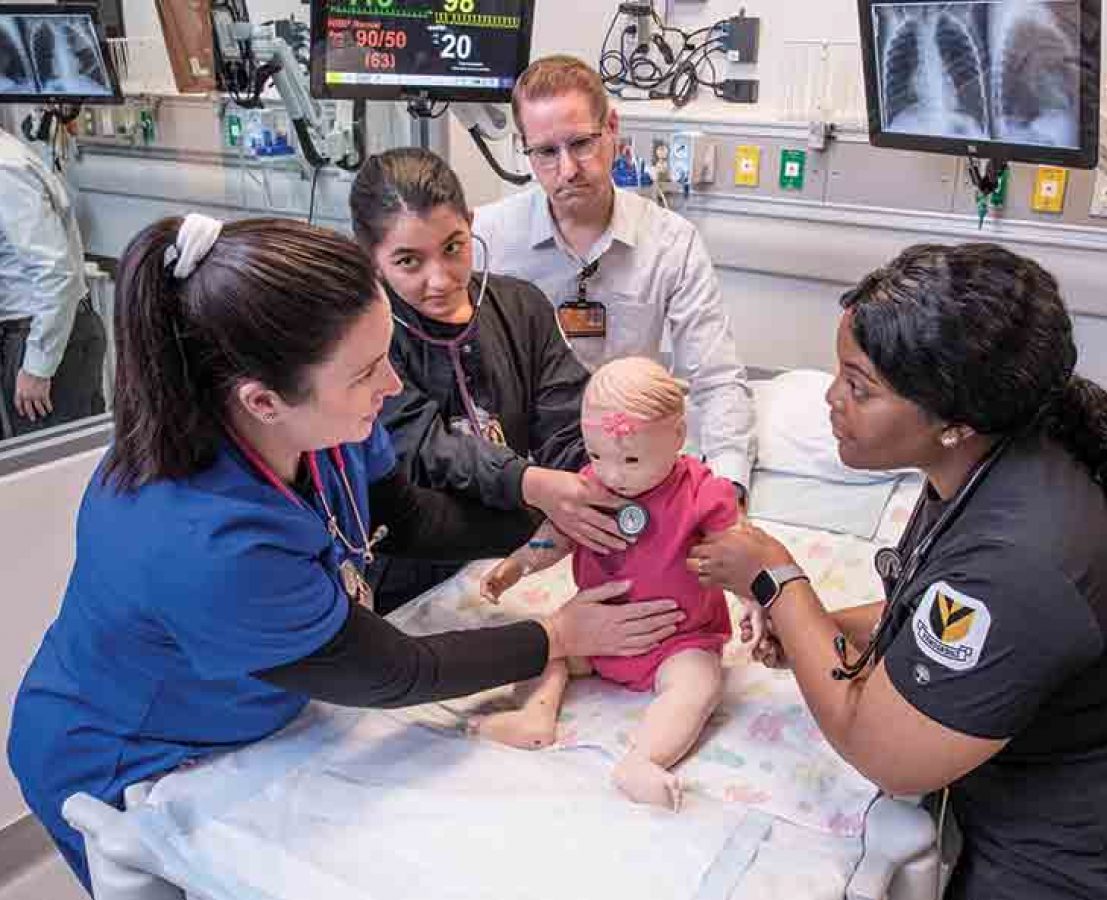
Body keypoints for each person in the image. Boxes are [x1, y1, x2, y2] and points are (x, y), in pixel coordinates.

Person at [6, 215, 685, 892]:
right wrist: (557, 635)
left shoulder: (321, 423)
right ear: (264, 401)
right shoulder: (202, 539)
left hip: (248, 714)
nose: (392, 385)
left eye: (386, 352)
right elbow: (395, 672)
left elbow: (407, 517)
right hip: (126, 756)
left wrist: (545, 517)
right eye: (366, 372)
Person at [689, 243, 1107, 900]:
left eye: (859, 386)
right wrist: (822, 628)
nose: (831, 398)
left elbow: (886, 752)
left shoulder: (1025, 555)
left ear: (955, 421)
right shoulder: (984, 466)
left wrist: (778, 581)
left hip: (1086, 866)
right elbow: (929, 612)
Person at [349, 148, 633, 613]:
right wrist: (532, 484)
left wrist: (605, 482)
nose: (439, 280)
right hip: (410, 569)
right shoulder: (362, 338)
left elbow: (567, 425)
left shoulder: (521, 307)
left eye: (453, 247)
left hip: (514, 548)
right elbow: (425, 446)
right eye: (408, 262)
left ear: (471, 222)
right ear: (371, 259)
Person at [472, 55, 756, 497]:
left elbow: (716, 379)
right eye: (546, 152)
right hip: (527, 473)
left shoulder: (671, 243)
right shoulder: (484, 239)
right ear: (525, 150)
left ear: (612, 129)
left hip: (632, 462)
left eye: (581, 144)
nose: (567, 169)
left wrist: (730, 486)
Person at [476, 357, 750, 812]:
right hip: (592, 632)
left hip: (676, 639)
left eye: (631, 458)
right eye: (597, 455)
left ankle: (643, 759)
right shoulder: (591, 486)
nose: (614, 473)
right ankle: (535, 716)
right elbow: (557, 535)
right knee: (543, 644)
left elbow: (737, 553)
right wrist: (519, 563)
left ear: (678, 437)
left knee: (697, 684)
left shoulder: (703, 491)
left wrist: (754, 602)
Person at [0, 126, 105, 438]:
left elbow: (55, 272)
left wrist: (37, 367)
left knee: (56, 472)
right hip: (32, 334)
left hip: (44, 338)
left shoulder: (5, 170)